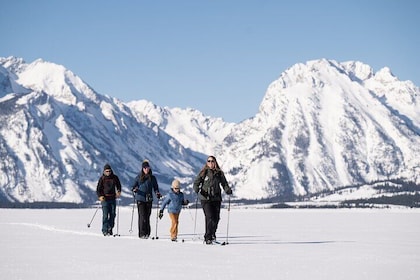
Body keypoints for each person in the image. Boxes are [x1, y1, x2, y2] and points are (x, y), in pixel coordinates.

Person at [193, 155, 232, 244]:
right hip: (205, 198)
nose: (210, 163)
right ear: (207, 163)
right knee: (209, 217)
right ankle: (207, 237)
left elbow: (224, 183)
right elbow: (196, 182)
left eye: (212, 161)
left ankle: (213, 234)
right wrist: (196, 189)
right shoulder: (203, 172)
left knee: (216, 218)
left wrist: (227, 190)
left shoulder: (219, 173)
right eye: (209, 161)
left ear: (215, 162)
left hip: (216, 198)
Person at [131, 160, 162, 239]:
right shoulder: (138, 177)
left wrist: (157, 193)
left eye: (147, 168)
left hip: (149, 199)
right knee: (142, 216)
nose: (146, 169)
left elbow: (155, 188)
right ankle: (142, 234)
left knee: (147, 216)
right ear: (142, 169)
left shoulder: (152, 178)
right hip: (140, 199)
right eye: (145, 168)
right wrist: (134, 189)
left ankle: (147, 233)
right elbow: (133, 186)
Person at [96, 163, 122, 236]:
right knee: (105, 215)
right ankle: (105, 230)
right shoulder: (102, 179)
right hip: (105, 199)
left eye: (109, 171)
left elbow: (118, 186)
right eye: (106, 171)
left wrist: (119, 191)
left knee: (113, 214)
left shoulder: (115, 178)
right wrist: (100, 196)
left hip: (113, 198)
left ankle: (110, 228)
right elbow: (98, 189)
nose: (108, 173)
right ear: (104, 171)